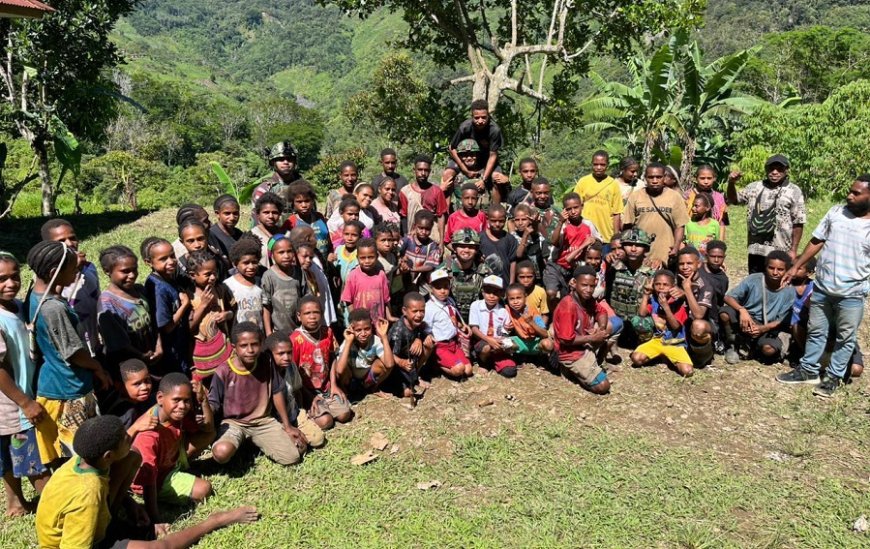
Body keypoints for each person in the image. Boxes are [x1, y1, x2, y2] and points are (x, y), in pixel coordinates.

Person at [36, 415, 259, 549]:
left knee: (133, 456)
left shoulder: (81, 461)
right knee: (162, 546)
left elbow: (103, 488)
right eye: (125, 438)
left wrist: (130, 505)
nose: (130, 437)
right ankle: (216, 520)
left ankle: (119, 524)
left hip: (93, 522)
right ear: (107, 456)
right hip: (82, 542)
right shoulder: (88, 493)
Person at [776, 175, 870, 397]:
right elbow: (817, 240)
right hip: (822, 288)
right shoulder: (836, 213)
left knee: (845, 337)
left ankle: (833, 378)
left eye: (856, 193)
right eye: (850, 190)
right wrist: (795, 266)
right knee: (816, 331)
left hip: (852, 293)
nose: (850, 195)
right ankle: (809, 370)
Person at [27, 241, 111, 468]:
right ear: (54, 272)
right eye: (73, 268)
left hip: (54, 383)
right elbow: (73, 352)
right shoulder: (53, 308)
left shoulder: (35, 296)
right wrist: (96, 367)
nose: (77, 271)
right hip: (68, 389)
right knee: (81, 455)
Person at [209, 322, 309, 466]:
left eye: (254, 344)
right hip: (235, 423)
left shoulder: (266, 361)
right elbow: (214, 403)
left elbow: (277, 391)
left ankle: (254, 443)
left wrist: (287, 426)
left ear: (261, 344)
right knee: (221, 452)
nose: (250, 350)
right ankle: (242, 443)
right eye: (243, 346)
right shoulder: (223, 371)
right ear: (234, 347)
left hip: (263, 421)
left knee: (293, 456)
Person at [131, 373, 214, 535]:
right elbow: (148, 480)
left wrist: (203, 400)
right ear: (160, 398)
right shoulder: (148, 433)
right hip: (157, 478)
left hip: (170, 458)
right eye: (176, 400)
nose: (182, 406)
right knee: (204, 489)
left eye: (186, 400)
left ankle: (180, 469)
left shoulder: (175, 412)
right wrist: (155, 520)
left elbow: (209, 429)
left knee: (208, 435)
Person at [0, 251, 49, 516]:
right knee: (30, 460)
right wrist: (25, 402)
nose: (10, 284)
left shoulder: (18, 306)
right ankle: (58, 507)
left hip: (20, 399)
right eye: (2, 279)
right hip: (11, 405)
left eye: (14, 276)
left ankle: (15, 503)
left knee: (11, 455)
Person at [726, 154, 806, 273]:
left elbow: (798, 222)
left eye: (779, 169)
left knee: (777, 284)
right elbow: (734, 200)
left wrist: (793, 250)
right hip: (756, 248)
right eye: (771, 168)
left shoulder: (794, 191)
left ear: (786, 171)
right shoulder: (754, 187)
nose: (774, 172)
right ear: (766, 169)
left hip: (781, 249)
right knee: (755, 282)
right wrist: (731, 183)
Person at [720, 250, 794, 365]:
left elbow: (783, 320)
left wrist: (762, 329)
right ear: (765, 267)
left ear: (787, 271)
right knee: (725, 313)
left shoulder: (789, 290)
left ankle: (754, 349)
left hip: (768, 327)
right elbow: (728, 297)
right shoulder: (754, 279)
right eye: (771, 268)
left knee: (769, 350)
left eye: (780, 269)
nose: (775, 272)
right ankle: (732, 346)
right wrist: (742, 310)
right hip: (745, 320)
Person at [290, 296, 353, 430]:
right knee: (326, 422)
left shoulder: (327, 332)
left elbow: (331, 358)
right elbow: (293, 373)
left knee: (344, 415)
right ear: (299, 316)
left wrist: (334, 385)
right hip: (307, 391)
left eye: (316, 312)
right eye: (307, 313)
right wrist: (309, 396)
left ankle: (328, 402)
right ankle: (311, 410)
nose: (312, 317)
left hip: (326, 387)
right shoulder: (295, 339)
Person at [42, 219, 101, 357]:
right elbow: (53, 299)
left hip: (94, 343)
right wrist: (70, 269)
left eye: (72, 238)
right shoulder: (48, 278)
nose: (70, 244)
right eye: (61, 240)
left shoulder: (89, 268)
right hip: (75, 351)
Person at [97, 246, 160, 368]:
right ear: (107, 271)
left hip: (155, 357)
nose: (132, 275)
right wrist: (142, 356)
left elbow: (155, 321)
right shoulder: (107, 305)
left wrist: (159, 345)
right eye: (125, 271)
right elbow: (118, 344)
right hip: (132, 367)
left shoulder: (140, 290)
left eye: (134, 269)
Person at [552, 265, 611, 394]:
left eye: (592, 286)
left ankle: (590, 367)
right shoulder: (568, 306)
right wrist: (592, 338)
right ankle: (571, 370)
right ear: (573, 283)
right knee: (603, 387)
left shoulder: (587, 299)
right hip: (570, 353)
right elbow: (566, 340)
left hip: (582, 345)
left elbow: (601, 312)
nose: (588, 290)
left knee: (607, 329)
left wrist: (600, 329)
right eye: (584, 285)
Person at [263, 331, 326, 448]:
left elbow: (297, 390)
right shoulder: (265, 374)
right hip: (276, 421)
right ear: (270, 354)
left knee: (318, 439)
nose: (286, 357)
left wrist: (302, 412)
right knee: (299, 447)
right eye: (281, 353)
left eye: (289, 353)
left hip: (293, 413)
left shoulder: (291, 367)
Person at [623, 162, 689, 269]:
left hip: (666, 254)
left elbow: (680, 226)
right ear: (645, 178)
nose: (654, 181)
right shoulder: (636, 196)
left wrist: (676, 247)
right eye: (651, 177)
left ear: (664, 178)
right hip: (641, 255)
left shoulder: (675, 197)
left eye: (658, 177)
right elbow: (627, 226)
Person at [142, 237, 192, 376]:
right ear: (148, 262)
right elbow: (167, 327)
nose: (171, 261)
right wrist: (185, 305)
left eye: (172, 256)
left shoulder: (168, 278)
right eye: (163, 259)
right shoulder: (158, 288)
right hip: (172, 353)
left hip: (179, 346)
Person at [443, 99, 508, 205]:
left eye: (484, 117)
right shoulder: (465, 127)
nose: (480, 120)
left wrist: (484, 179)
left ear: (488, 115)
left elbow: (493, 155)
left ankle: (496, 213)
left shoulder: (494, 130)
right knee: (447, 174)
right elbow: (452, 148)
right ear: (472, 116)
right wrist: (464, 169)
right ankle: (445, 213)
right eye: (476, 118)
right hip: (464, 158)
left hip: (486, 158)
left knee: (497, 177)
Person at [631, 270, 694, 377]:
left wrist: (665, 306)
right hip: (657, 340)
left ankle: (669, 357)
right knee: (636, 359)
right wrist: (646, 295)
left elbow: (675, 326)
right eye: (657, 284)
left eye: (665, 285)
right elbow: (641, 314)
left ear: (673, 286)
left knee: (687, 371)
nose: (661, 287)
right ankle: (658, 355)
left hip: (674, 343)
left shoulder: (678, 302)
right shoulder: (654, 299)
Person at [543, 192, 601, 309]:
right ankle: (553, 315)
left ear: (582, 206)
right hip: (556, 265)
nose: (573, 211)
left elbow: (598, 241)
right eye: (569, 209)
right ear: (564, 210)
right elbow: (554, 241)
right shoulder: (563, 225)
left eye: (576, 207)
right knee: (551, 293)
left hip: (574, 268)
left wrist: (592, 242)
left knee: (570, 298)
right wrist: (560, 222)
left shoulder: (588, 225)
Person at [187, 251, 236, 383]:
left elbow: (233, 311)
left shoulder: (220, 290)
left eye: (215, 272)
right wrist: (202, 306)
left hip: (224, 349)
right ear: (193, 275)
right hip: (202, 354)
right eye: (207, 274)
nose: (213, 277)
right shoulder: (189, 297)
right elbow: (189, 328)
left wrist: (227, 315)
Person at [604, 228, 655, 347]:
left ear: (646, 249)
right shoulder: (613, 266)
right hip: (617, 316)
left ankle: (644, 345)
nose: (633, 249)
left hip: (638, 317)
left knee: (642, 324)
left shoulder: (652, 270)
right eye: (628, 245)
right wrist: (606, 259)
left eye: (638, 246)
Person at [387, 292, 434, 409]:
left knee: (429, 343)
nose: (419, 315)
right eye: (415, 311)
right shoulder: (398, 331)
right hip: (396, 369)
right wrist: (401, 363)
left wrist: (419, 338)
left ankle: (415, 377)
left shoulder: (417, 323)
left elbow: (424, 330)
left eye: (422, 311)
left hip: (410, 362)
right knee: (408, 393)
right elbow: (389, 356)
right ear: (404, 311)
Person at [424, 269, 473, 379]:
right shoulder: (429, 308)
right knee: (459, 370)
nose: (443, 291)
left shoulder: (450, 301)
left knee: (468, 371)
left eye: (446, 287)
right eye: (438, 288)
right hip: (441, 346)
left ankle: (451, 362)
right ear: (431, 288)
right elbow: (425, 329)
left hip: (454, 344)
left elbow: (453, 319)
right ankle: (436, 363)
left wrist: (462, 326)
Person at [335, 310, 395, 399]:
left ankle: (373, 388)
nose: (363, 334)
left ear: (372, 327)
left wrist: (384, 337)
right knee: (341, 365)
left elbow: (389, 364)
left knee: (383, 363)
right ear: (351, 329)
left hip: (367, 377)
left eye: (367, 329)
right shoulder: (348, 341)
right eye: (358, 330)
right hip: (350, 378)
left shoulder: (375, 340)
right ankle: (346, 392)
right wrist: (348, 342)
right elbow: (339, 370)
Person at [675, 248, 715, 368]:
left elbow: (699, 315)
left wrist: (687, 290)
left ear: (699, 264)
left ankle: (702, 357)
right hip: (682, 322)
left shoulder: (706, 285)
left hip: (705, 323)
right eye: (681, 264)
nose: (685, 267)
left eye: (689, 263)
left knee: (698, 326)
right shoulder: (677, 278)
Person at [469, 275, 516, 378]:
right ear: (482, 292)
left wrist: (505, 332)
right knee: (486, 348)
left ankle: (496, 359)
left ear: (501, 294)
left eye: (495, 293)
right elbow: (474, 328)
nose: (491, 296)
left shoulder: (503, 311)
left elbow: (504, 332)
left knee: (511, 369)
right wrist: (489, 339)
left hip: (498, 340)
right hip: (482, 340)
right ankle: (483, 362)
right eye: (488, 292)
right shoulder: (475, 305)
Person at [340, 238, 395, 325]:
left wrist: (389, 316)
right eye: (362, 258)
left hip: (379, 323)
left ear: (377, 256)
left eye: (371, 257)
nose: (367, 261)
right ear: (357, 257)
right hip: (361, 325)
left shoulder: (381, 275)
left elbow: (386, 300)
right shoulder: (353, 275)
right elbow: (348, 301)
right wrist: (355, 319)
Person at [442, 229, 493, 321]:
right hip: (448, 321)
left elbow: (495, 299)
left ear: (477, 249)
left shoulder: (484, 271)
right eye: (462, 246)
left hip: (478, 321)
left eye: (471, 247)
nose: (466, 250)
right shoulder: (444, 270)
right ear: (454, 248)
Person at [573, 150, 623, 243]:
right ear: (592, 164)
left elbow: (617, 213)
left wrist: (615, 237)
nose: (599, 167)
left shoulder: (613, 184)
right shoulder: (583, 182)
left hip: (606, 235)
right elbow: (574, 206)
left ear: (607, 165)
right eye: (595, 164)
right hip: (585, 234)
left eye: (602, 164)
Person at [261, 235, 304, 335]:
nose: (286, 256)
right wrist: (268, 332)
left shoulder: (299, 273)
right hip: (278, 332)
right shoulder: (269, 276)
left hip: (298, 331)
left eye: (289, 251)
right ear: (272, 255)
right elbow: (266, 307)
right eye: (281, 252)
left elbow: (305, 298)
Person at [399, 155, 448, 243]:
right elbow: (403, 217)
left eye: (426, 170)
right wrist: (406, 238)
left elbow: (441, 217)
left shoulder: (437, 191)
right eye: (420, 170)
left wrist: (441, 242)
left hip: (431, 239)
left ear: (430, 171)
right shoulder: (405, 191)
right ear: (414, 170)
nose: (423, 173)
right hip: (412, 239)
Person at [250, 140, 303, 219]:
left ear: (295, 162)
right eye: (281, 159)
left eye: (289, 159)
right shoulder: (264, 189)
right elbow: (257, 220)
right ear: (273, 163)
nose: (286, 162)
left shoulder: (303, 187)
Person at [280, 181, 332, 260]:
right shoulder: (290, 222)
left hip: (326, 263)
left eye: (307, 201)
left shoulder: (319, 217)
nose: (304, 205)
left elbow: (328, 238)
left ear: (312, 201)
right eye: (299, 202)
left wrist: (331, 253)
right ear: (293, 203)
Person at [504, 282, 553, 359]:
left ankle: (542, 358)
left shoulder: (533, 311)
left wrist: (531, 322)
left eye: (519, 298)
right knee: (504, 343)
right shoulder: (507, 310)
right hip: (520, 343)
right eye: (512, 299)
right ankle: (516, 359)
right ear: (507, 299)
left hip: (535, 343)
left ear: (525, 297)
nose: (515, 302)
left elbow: (545, 334)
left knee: (548, 344)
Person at [223, 236, 264, 329]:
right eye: (246, 263)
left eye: (254, 262)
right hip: (239, 336)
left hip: (259, 335)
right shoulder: (228, 285)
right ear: (235, 264)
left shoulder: (260, 282)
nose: (251, 267)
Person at [398, 210, 442, 291]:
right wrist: (402, 261)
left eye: (427, 229)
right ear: (415, 226)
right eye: (421, 228)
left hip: (421, 281)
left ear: (431, 228)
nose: (424, 232)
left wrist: (412, 269)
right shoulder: (407, 240)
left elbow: (430, 266)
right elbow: (396, 252)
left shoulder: (432, 246)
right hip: (403, 277)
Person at [684, 165, 728, 241]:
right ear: (695, 179)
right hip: (692, 237)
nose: (706, 182)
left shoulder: (719, 197)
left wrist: (720, 244)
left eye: (709, 178)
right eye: (702, 178)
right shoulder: (687, 196)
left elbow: (722, 223)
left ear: (714, 178)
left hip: (711, 239)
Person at [510, 203, 549, 285]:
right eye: (517, 220)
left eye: (524, 219)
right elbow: (519, 254)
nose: (520, 223)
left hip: (538, 280)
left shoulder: (539, 237)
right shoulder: (512, 237)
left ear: (530, 219)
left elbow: (546, 260)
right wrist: (525, 235)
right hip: (520, 281)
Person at [479, 203, 517, 285]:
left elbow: (513, 262)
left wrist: (511, 283)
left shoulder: (510, 239)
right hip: (485, 283)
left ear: (505, 219)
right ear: (487, 219)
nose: (497, 224)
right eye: (493, 221)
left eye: (501, 221)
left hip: (504, 283)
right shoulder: (480, 238)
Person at [249, 192, 285, 269]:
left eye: (275, 212)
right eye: (266, 212)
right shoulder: (251, 236)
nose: (271, 216)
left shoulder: (286, 234)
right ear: (258, 214)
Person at [444, 183, 487, 248]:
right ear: (461, 199)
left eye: (473, 198)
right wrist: (456, 252)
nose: (470, 202)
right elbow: (447, 241)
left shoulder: (481, 216)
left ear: (477, 199)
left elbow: (485, 238)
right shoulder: (453, 217)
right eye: (467, 198)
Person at [684, 193, 720, 258]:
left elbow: (716, 245)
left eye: (696, 206)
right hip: (692, 260)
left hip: (707, 261)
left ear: (707, 208)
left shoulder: (715, 224)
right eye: (693, 205)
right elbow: (683, 243)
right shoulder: (688, 223)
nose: (693, 208)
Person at [210, 194, 243, 264]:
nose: (232, 218)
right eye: (227, 214)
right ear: (217, 214)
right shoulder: (212, 235)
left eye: (235, 213)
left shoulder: (240, 234)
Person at [515, 260, 549, 325]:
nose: (526, 280)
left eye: (529, 277)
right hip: (519, 326)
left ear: (534, 276)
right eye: (522, 277)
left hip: (537, 325)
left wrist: (541, 329)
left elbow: (545, 314)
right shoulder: (514, 292)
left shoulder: (540, 291)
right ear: (516, 277)